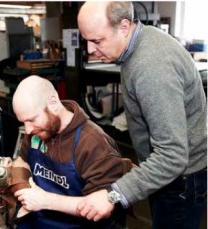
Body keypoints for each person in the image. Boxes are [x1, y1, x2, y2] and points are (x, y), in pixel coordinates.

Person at [76, 2, 207, 229]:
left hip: (181, 181)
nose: (89, 50)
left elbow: (172, 156)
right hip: (171, 175)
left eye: (97, 40)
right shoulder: (139, 43)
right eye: (86, 40)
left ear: (124, 27)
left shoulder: (151, 68)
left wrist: (113, 195)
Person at [12, 75, 133, 228]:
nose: (28, 130)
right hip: (37, 221)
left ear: (53, 103)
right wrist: (26, 193)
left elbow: (100, 208)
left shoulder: (93, 144)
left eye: (32, 120)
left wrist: (43, 201)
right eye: (23, 122)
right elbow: (21, 161)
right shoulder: (37, 132)